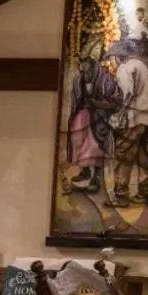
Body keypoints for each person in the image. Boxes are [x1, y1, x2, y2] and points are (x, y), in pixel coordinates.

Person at [104, 39, 148, 208]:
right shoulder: (140, 65)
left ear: (117, 56)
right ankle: (145, 192)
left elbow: (126, 94)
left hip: (135, 118)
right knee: (143, 156)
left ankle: (121, 195)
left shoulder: (124, 68)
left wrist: (119, 114)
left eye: (111, 58)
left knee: (124, 154)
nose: (111, 63)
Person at [64, 48, 121, 194]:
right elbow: (76, 99)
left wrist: (100, 104)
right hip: (82, 115)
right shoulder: (79, 79)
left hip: (98, 118)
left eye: (85, 61)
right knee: (79, 142)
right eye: (81, 61)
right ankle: (85, 172)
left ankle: (96, 177)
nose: (82, 65)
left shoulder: (105, 79)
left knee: (95, 147)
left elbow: (117, 100)